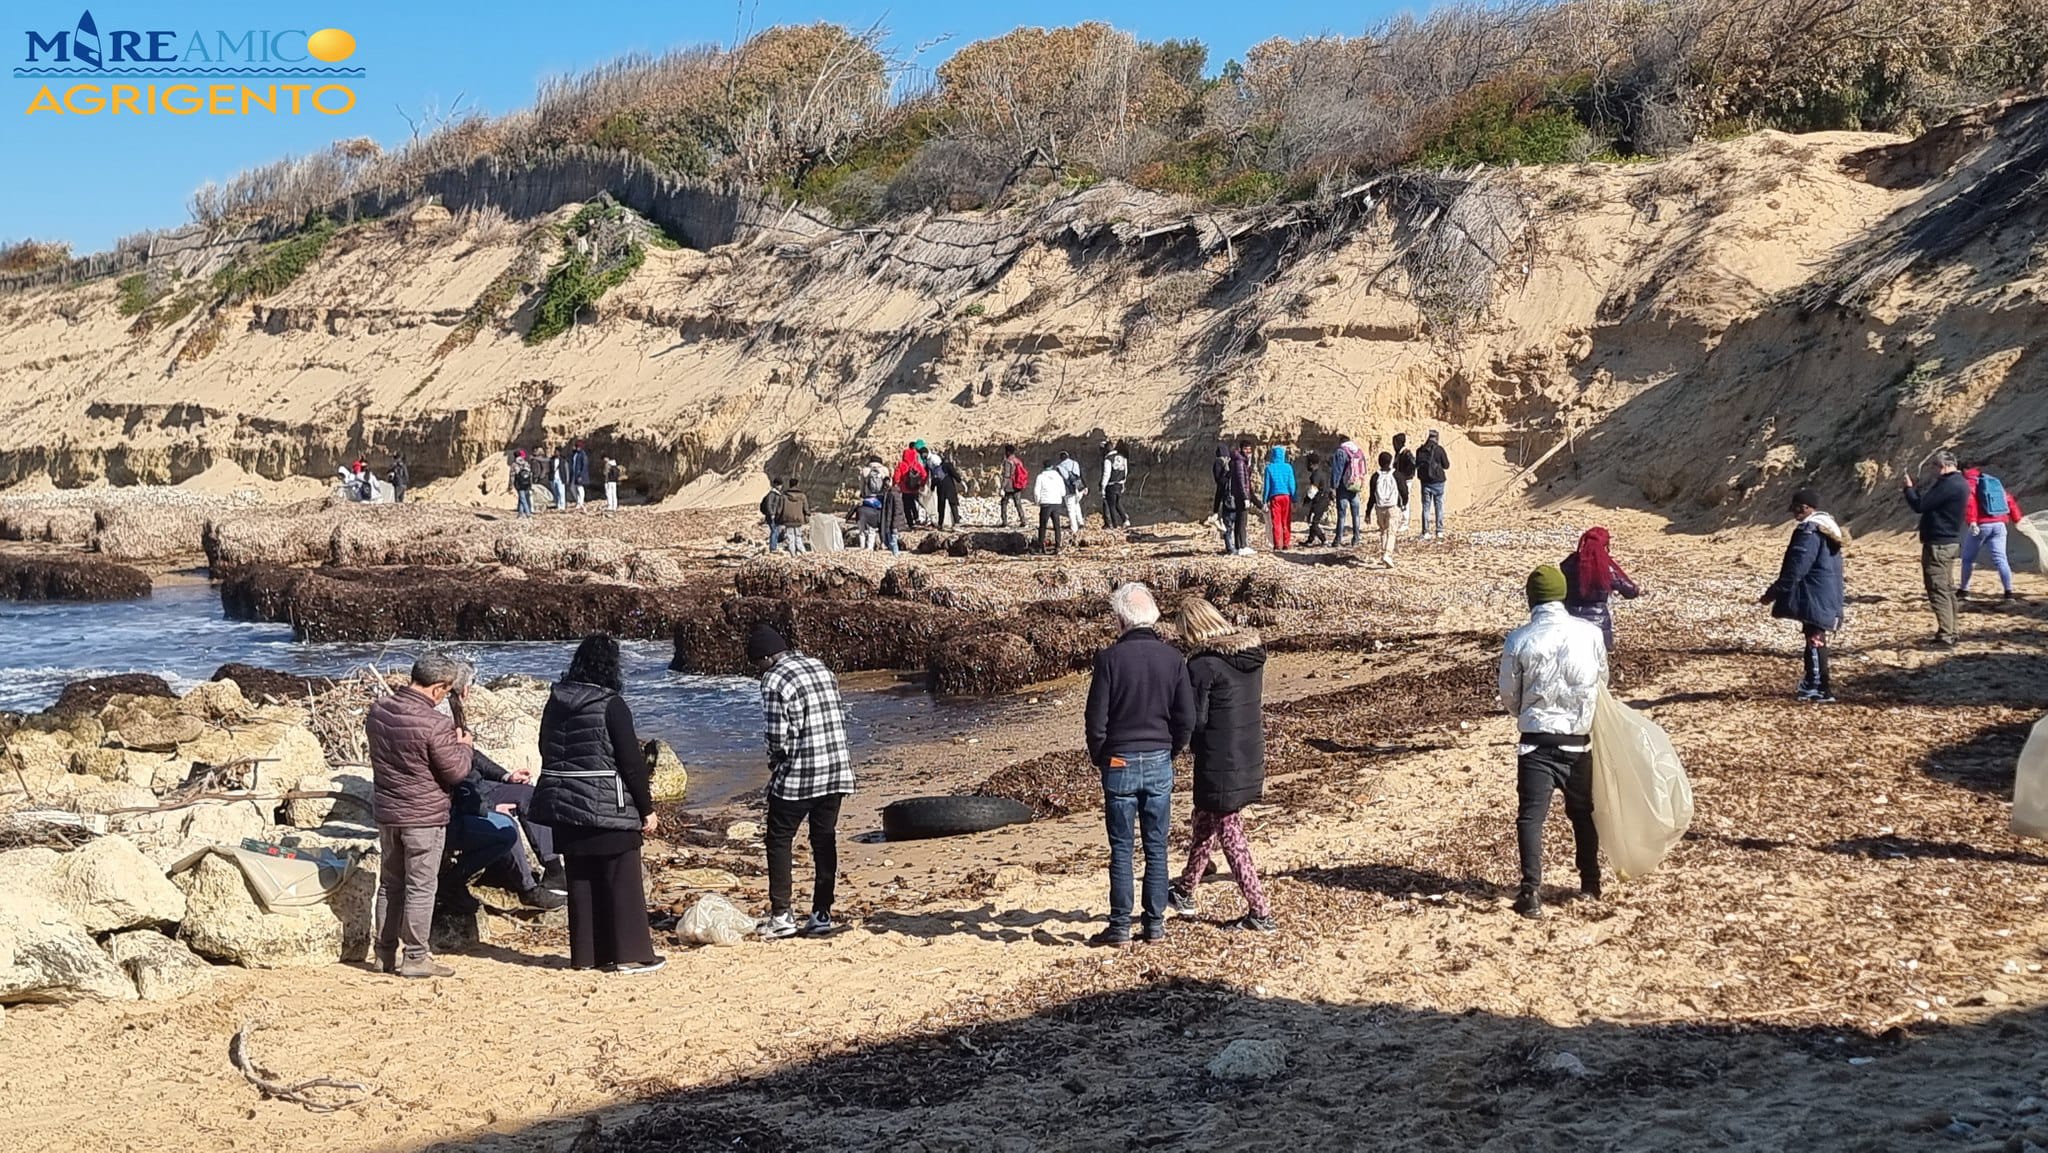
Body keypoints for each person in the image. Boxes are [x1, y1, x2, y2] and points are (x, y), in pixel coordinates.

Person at [528, 635, 665, 975]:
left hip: (565, 802)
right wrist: (646, 808)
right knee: (621, 877)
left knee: (581, 878)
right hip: (607, 805)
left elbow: (546, 745)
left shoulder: (555, 700)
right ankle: (630, 955)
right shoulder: (611, 703)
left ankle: (586, 957)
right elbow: (631, 761)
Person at [1084, 583, 1194, 947]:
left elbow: (1095, 718)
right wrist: (1170, 749)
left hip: (1121, 758)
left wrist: (1102, 757)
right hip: (1157, 756)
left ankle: (1119, 927)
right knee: (1156, 846)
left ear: (1120, 620)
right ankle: (1154, 923)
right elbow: (1186, 718)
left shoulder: (1109, 659)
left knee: (1122, 847)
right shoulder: (1173, 658)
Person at [1499, 565, 1608, 919]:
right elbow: (1601, 680)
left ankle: (1531, 892)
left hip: (1536, 742)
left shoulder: (1519, 639)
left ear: (1531, 598)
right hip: (1578, 741)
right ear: (1561, 595)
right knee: (1582, 814)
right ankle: (1590, 884)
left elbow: (1509, 696)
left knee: (1531, 818)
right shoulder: (1591, 634)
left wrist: (1526, 714)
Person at [1168, 597, 1275, 933]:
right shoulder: (1250, 656)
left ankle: (1260, 912)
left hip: (1219, 758)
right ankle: (1186, 889)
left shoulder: (1202, 665)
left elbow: (1194, 719)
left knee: (1230, 834)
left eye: (1183, 632)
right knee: (1204, 820)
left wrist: (1173, 745)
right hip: (1248, 751)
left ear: (1193, 629)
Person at [365, 651, 475, 978]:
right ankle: (415, 956)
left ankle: (383, 953)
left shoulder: (379, 710)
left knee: (390, 884)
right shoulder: (435, 723)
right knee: (421, 886)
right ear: (439, 688)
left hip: (388, 812)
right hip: (423, 817)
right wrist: (465, 746)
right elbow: (455, 772)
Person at [750, 625, 854, 939]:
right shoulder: (818, 666)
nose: (758, 670)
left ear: (767, 657)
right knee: (824, 840)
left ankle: (782, 915)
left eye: (757, 663)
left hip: (800, 775)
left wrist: (775, 763)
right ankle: (821, 913)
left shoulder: (774, 679)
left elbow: (778, 737)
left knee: (778, 839)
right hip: (836, 770)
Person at [1760, 488, 1846, 703]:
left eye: (1796, 510)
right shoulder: (1827, 529)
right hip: (1824, 591)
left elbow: (1797, 567)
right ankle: (1812, 683)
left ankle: (1820, 687)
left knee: (1815, 638)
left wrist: (1773, 593)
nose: (1794, 514)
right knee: (1814, 636)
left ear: (1805, 508)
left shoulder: (1809, 531)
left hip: (1814, 592)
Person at [1903, 450, 1969, 646]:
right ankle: (1951, 630)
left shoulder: (1949, 484)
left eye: (1935, 466)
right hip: (1948, 542)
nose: (1933, 471)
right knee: (1947, 589)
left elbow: (1920, 505)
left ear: (1945, 466)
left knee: (1938, 589)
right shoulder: (1959, 483)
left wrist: (1908, 489)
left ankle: (1947, 634)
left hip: (1939, 544)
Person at [1562, 527, 1642, 650]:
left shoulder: (1570, 563)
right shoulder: (1606, 566)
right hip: (1599, 625)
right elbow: (1631, 591)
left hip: (1571, 621)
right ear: (1605, 545)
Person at [1961, 463, 2026, 601]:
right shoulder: (1992, 480)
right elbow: (2008, 499)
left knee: (1967, 559)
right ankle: (2009, 593)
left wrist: (1972, 521)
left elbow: (1970, 503)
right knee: (2001, 559)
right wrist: (2017, 518)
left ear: (1964, 471)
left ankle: (1964, 590)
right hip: (2000, 524)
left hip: (1981, 525)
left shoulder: (1969, 483)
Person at [1363, 451, 1402, 567]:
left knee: (1383, 530)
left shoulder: (1375, 476)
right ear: (1390, 462)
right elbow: (1403, 490)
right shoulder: (1396, 475)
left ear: (1379, 462)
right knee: (1392, 531)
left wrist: (1368, 512)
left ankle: (1384, 553)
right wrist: (1403, 503)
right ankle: (1388, 554)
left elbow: (1372, 496)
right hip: (1392, 506)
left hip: (1379, 507)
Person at [1416, 430, 1451, 540]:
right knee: (1439, 506)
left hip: (1425, 483)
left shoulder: (1420, 450)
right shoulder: (1439, 450)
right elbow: (1446, 465)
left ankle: (1425, 531)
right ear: (1437, 438)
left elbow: (1416, 465)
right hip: (1439, 482)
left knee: (1426, 507)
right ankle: (1439, 530)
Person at [1332, 436, 1366, 547]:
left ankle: (1338, 540)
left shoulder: (1340, 451)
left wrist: (1334, 486)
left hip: (1343, 486)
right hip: (1355, 486)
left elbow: (1337, 470)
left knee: (1342, 515)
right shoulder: (1358, 451)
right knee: (1355, 514)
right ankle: (1356, 538)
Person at [1261, 446, 1296, 550]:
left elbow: (1267, 486)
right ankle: (1286, 543)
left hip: (1275, 497)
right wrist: (1294, 499)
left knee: (1276, 521)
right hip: (1286, 496)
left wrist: (1264, 500)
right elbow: (1292, 484)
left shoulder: (1269, 468)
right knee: (1286, 521)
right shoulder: (1288, 467)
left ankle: (1277, 544)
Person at [1226, 440, 1255, 556]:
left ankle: (1240, 545)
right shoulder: (1239, 462)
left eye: (1250, 449)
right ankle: (1242, 546)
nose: (1249, 451)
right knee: (1242, 521)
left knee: (1240, 520)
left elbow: (1245, 477)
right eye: (1247, 448)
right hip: (1240, 496)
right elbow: (1241, 481)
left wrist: (1249, 464)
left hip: (1239, 495)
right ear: (1242, 449)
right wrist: (1245, 497)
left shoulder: (1242, 462)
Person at [1033, 459, 1068, 554]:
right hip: (1056, 503)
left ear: (1044, 467)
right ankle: (1058, 546)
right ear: (1052, 467)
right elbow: (1063, 492)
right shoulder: (1058, 477)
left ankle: (1041, 546)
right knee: (1057, 525)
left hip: (1045, 503)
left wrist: (1037, 502)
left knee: (1043, 525)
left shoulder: (1040, 477)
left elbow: (1036, 492)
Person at [1301, 451, 1333, 547]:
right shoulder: (1322, 473)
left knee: (1314, 522)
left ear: (1311, 464)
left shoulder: (1316, 475)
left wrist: (1306, 500)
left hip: (1320, 501)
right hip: (1324, 499)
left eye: (1307, 463)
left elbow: (1313, 490)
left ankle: (1324, 540)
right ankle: (1310, 540)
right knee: (1312, 520)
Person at [893, 443, 929, 528]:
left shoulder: (902, 465)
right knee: (914, 504)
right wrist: (922, 484)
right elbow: (924, 474)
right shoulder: (917, 464)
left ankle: (910, 523)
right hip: (915, 488)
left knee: (907, 506)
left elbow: (896, 477)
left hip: (905, 489)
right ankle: (917, 518)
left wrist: (896, 484)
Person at [1102, 441, 1133, 528]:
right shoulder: (1122, 457)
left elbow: (1106, 474)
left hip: (1111, 484)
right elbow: (1126, 471)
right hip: (1120, 483)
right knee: (1117, 503)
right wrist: (1123, 482)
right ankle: (1125, 519)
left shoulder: (1108, 459)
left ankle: (1115, 525)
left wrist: (1103, 486)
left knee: (1111, 505)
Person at [930, 449, 963, 530]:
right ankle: (957, 523)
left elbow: (933, 483)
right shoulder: (947, 465)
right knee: (953, 505)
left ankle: (940, 524)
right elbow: (955, 474)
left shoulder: (934, 471)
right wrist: (960, 481)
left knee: (941, 507)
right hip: (950, 487)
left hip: (940, 490)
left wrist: (932, 489)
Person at [1391, 433, 1417, 533]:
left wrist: (1404, 477)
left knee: (1404, 500)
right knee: (1398, 501)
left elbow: (1412, 466)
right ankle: (1399, 521)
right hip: (1399, 481)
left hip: (1405, 481)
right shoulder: (1398, 454)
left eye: (1394, 443)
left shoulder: (1407, 454)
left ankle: (1405, 523)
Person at [1000, 444, 1030, 528]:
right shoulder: (1018, 461)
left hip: (1009, 486)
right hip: (1017, 485)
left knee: (1004, 503)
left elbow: (1007, 475)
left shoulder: (1008, 461)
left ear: (1008, 452)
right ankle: (1023, 521)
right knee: (1018, 503)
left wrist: (1002, 488)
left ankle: (1005, 522)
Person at [777, 483, 811, 555]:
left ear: (789, 485)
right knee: (798, 536)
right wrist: (807, 514)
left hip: (787, 519)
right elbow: (806, 508)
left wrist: (777, 518)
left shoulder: (784, 496)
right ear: (797, 484)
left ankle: (793, 553)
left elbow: (779, 509)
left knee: (790, 537)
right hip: (798, 519)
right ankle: (802, 552)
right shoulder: (802, 496)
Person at [1057, 451, 1086, 532]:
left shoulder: (1059, 467)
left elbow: (1061, 480)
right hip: (1079, 487)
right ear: (1068, 456)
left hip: (1069, 489)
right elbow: (1080, 475)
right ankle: (1081, 522)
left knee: (1070, 509)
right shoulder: (1075, 463)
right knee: (1076, 504)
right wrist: (1084, 486)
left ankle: (1074, 528)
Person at [760, 479, 787, 553]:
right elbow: (769, 504)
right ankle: (773, 548)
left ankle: (775, 545)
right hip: (772, 516)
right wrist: (771, 513)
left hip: (776, 516)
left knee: (777, 530)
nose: (780, 486)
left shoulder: (777, 494)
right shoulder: (772, 494)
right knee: (774, 531)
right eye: (779, 485)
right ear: (775, 484)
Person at [511, 451, 534, 519]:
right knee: (522, 498)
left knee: (523, 498)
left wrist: (511, 485)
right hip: (527, 483)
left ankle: (528, 513)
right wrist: (530, 483)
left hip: (519, 484)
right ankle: (520, 514)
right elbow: (530, 474)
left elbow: (512, 476)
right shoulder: (526, 463)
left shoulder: (514, 464)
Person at [570, 441, 590, 511]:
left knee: (580, 488)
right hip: (574, 473)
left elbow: (584, 465)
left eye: (578, 447)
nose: (577, 448)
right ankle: (578, 500)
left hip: (579, 474)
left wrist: (581, 475)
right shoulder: (575, 454)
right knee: (572, 488)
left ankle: (581, 502)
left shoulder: (583, 455)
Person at [548, 448, 568, 512]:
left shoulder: (563, 460)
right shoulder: (552, 460)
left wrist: (566, 479)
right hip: (553, 478)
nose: (555, 453)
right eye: (555, 452)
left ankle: (562, 505)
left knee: (561, 492)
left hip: (560, 478)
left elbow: (566, 470)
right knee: (555, 492)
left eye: (557, 452)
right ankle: (558, 504)